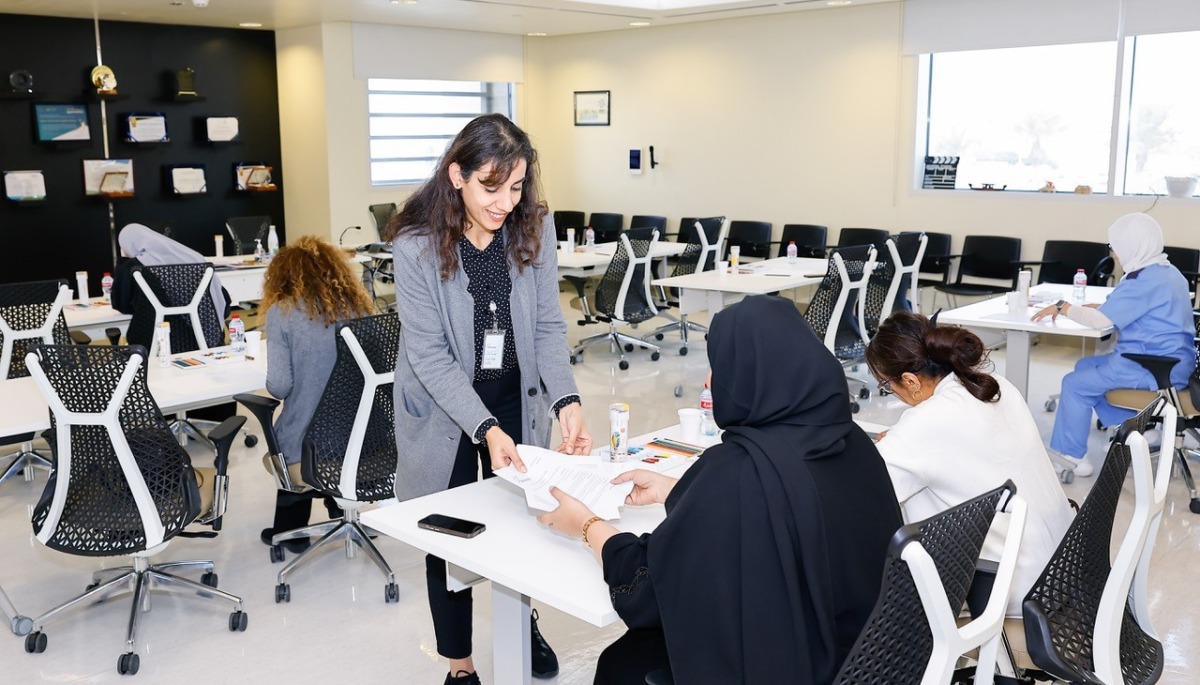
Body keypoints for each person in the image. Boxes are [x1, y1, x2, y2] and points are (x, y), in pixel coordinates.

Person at [538, 295, 903, 685]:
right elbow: (785, 505)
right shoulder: (854, 441)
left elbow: (646, 591)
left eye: (722, 366)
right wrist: (679, 490)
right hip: (869, 659)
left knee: (622, 662)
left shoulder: (738, 470)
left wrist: (586, 523)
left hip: (794, 663)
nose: (712, 380)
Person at [383, 113, 592, 685]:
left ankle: (523, 624)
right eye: (490, 187)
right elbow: (428, 356)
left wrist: (565, 400)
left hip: (514, 396)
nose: (505, 202)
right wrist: (487, 429)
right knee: (448, 533)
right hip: (445, 408)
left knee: (522, 521)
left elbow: (547, 327)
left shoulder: (533, 228)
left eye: (517, 186)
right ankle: (460, 664)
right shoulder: (417, 245)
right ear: (457, 175)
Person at [865, 311, 1075, 617]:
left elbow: (869, 485)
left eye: (887, 386)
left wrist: (890, 443)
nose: (891, 393)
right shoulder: (994, 385)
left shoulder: (925, 424)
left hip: (1013, 584)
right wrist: (901, 438)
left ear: (910, 380)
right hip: (1061, 562)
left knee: (898, 507)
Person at [1032, 213, 1195, 476]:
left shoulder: (1142, 281)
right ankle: (1139, 428)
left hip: (1148, 367)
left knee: (1074, 384)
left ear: (1133, 245)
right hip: (1174, 362)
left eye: (1115, 246)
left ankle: (1072, 457)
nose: (1114, 253)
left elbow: (1099, 322)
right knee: (1085, 366)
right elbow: (1136, 309)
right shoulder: (1167, 271)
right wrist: (1101, 308)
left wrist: (1063, 307)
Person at [258, 236, 376, 552]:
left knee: (294, 428)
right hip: (366, 443)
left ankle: (292, 532)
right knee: (330, 422)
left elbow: (279, 386)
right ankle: (342, 511)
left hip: (309, 449)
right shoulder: (361, 306)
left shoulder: (282, 314)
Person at [110, 223, 228, 318]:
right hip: (208, 331)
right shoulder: (192, 256)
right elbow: (225, 300)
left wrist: (123, 261)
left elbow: (122, 305)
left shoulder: (132, 267)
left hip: (159, 336)